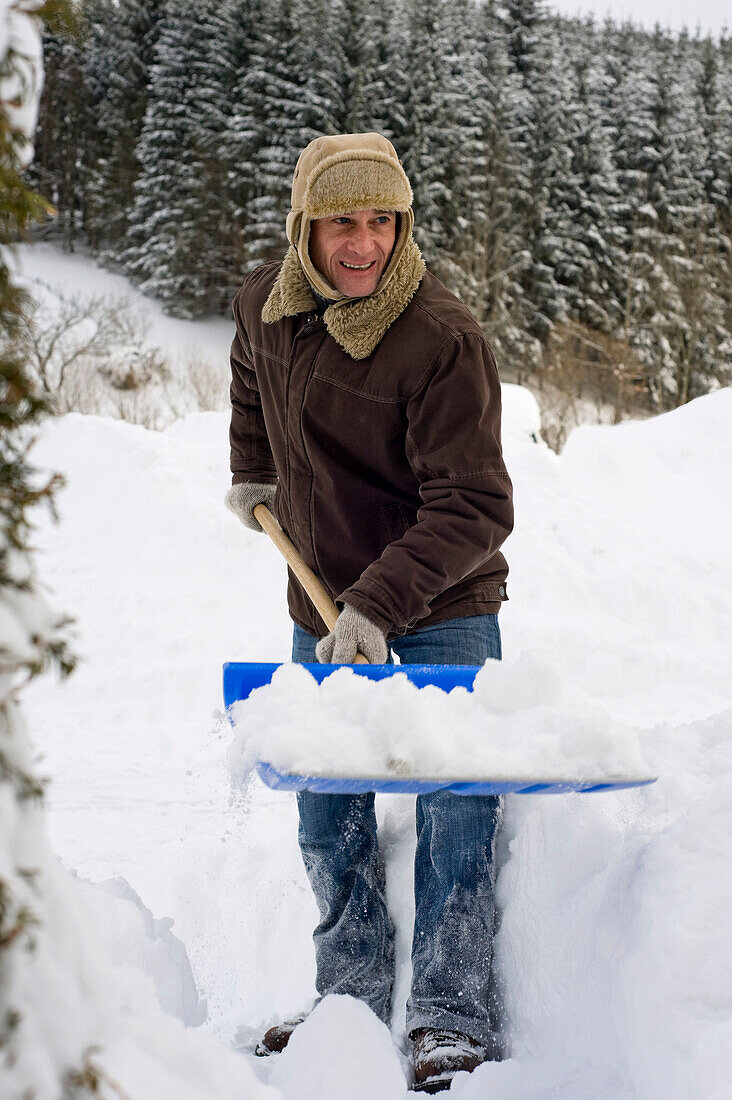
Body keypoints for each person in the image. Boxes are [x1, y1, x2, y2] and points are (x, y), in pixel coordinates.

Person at [226, 132, 513, 1093]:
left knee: (454, 813)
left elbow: (475, 503)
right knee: (328, 812)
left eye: (382, 221)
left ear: (404, 224)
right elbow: (248, 382)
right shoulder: (267, 302)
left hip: (438, 600)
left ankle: (449, 1017)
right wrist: (251, 469)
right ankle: (346, 1002)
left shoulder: (441, 338)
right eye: (342, 221)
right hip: (323, 598)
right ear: (305, 225)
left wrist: (382, 602)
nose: (363, 244)